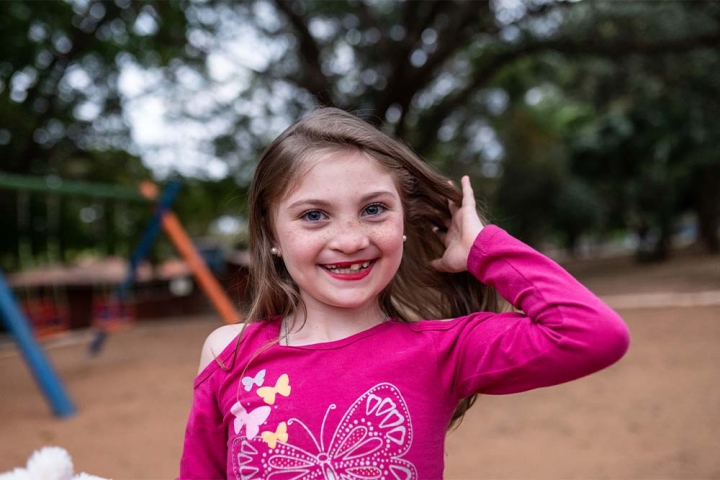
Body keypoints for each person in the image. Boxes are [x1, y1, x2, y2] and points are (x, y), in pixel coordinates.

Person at [179, 108, 630, 479]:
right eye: (314, 215)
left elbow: (594, 333)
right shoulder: (230, 353)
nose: (351, 239)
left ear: (403, 222)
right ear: (271, 233)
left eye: (374, 209)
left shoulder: (445, 350)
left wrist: (482, 248)